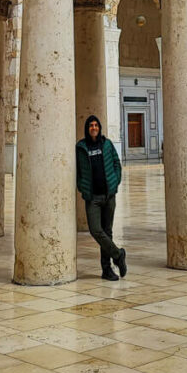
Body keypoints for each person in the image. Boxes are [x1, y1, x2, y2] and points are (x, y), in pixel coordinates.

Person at [76, 115, 127, 280]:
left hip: (108, 196)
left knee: (107, 232)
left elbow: (116, 164)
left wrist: (115, 182)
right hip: (93, 198)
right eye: (90, 125)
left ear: (99, 127)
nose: (93, 128)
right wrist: (82, 186)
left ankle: (107, 270)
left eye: (96, 125)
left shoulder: (107, 144)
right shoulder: (81, 147)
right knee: (96, 230)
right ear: (87, 128)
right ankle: (118, 255)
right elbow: (76, 170)